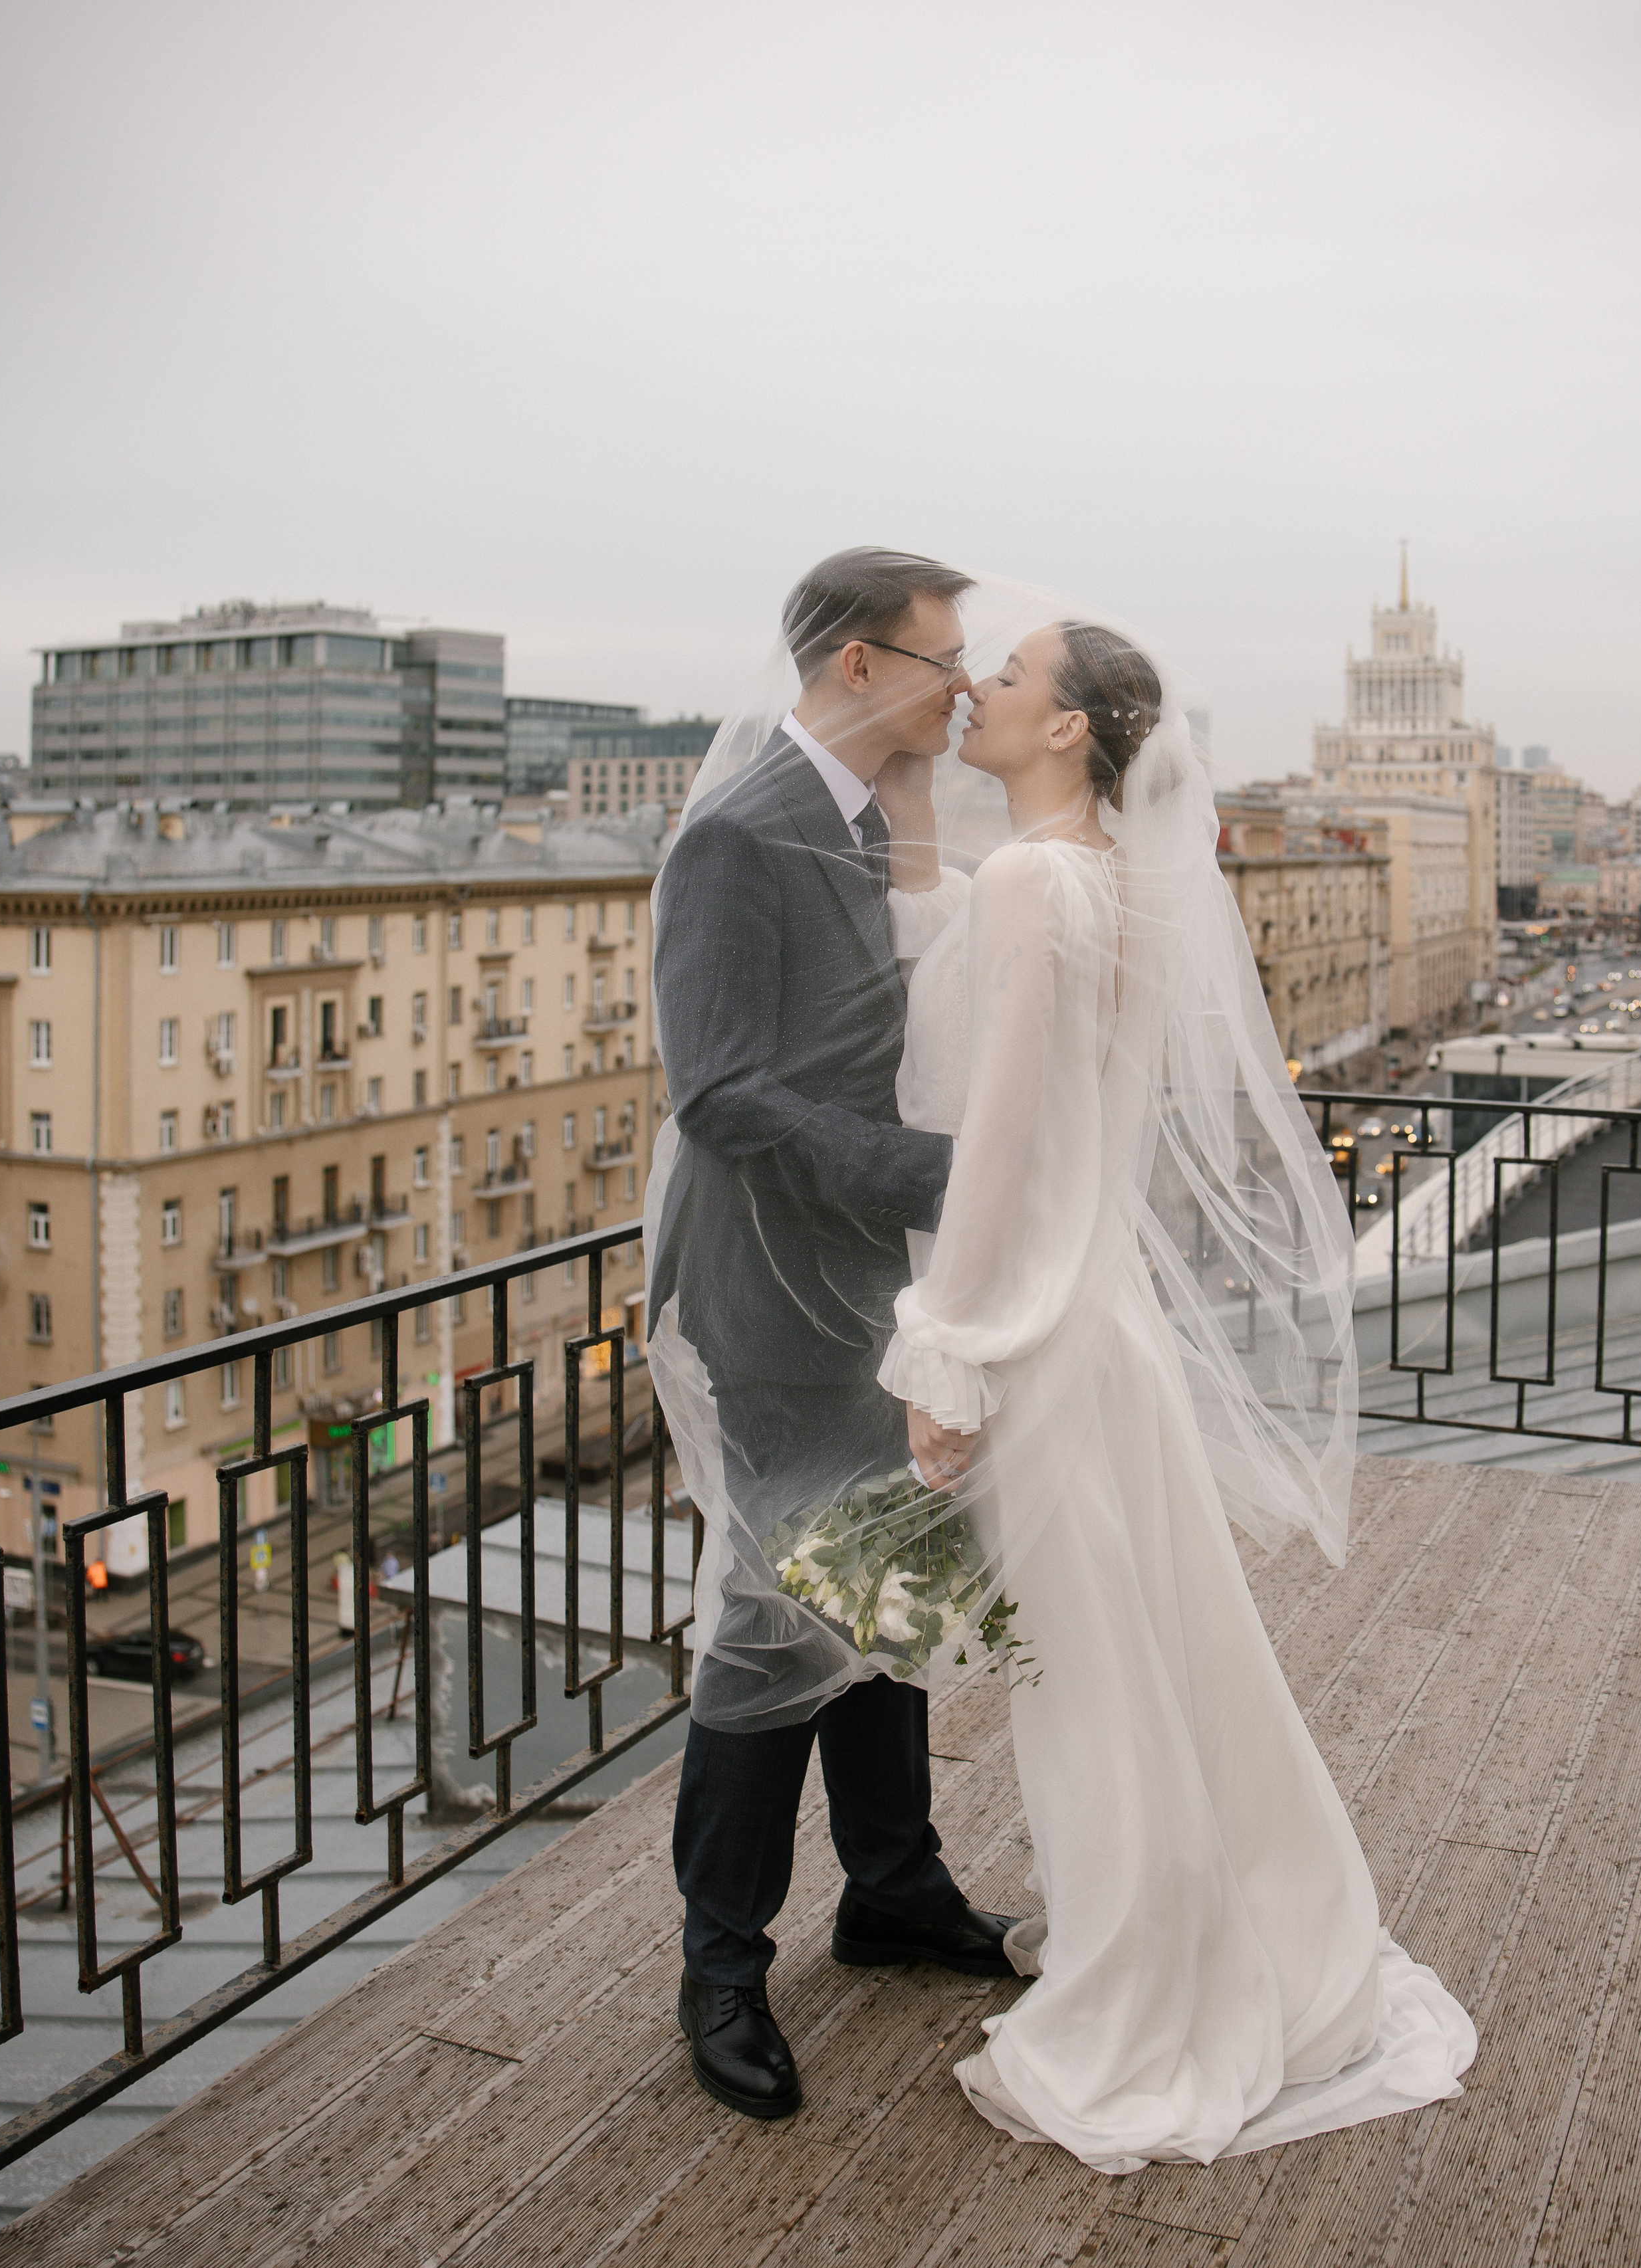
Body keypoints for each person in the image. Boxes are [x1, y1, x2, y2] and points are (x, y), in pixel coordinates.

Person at [875, 614, 1477, 2172]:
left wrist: (945, 1347)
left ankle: (1139, 1998)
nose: (975, 690)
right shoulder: (1107, 880)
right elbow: (985, 997)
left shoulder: (1035, 883)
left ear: (1070, 729)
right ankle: (1219, 1942)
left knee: (1091, 1685)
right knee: (1154, 1653)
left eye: (1002, 678)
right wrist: (908, 804)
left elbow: (999, 1139)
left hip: (1039, 1332)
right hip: (1103, 1320)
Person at [647, 548, 1019, 2124]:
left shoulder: (871, 817)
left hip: (877, 1283)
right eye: (944, 661)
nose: (964, 684)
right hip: (772, 1295)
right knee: (770, 1611)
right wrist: (940, 1172)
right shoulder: (740, 835)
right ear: (857, 666)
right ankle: (720, 1964)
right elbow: (719, 1093)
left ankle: (890, 1892)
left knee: (890, 1576)